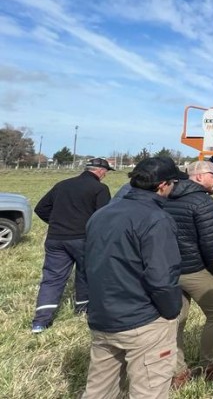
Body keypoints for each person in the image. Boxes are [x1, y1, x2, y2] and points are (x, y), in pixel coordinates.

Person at [81, 157, 184, 399]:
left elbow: (87, 265)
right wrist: (171, 312)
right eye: (174, 183)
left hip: (102, 317)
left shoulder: (101, 215)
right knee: (150, 390)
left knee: (98, 390)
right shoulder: (156, 219)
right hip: (143, 321)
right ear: (163, 185)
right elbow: (161, 277)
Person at [162, 160, 213, 387]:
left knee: (177, 320)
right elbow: (211, 243)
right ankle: (208, 366)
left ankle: (178, 371)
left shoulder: (166, 199)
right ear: (198, 177)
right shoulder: (203, 202)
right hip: (196, 270)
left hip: (170, 269)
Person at [31, 157, 114, 333]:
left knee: (52, 278)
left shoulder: (62, 184)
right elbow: (104, 217)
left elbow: (40, 208)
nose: (105, 175)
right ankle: (82, 309)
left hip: (55, 238)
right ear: (100, 171)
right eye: (106, 172)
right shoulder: (100, 189)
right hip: (83, 238)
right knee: (85, 273)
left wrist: (56, 222)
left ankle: (40, 321)